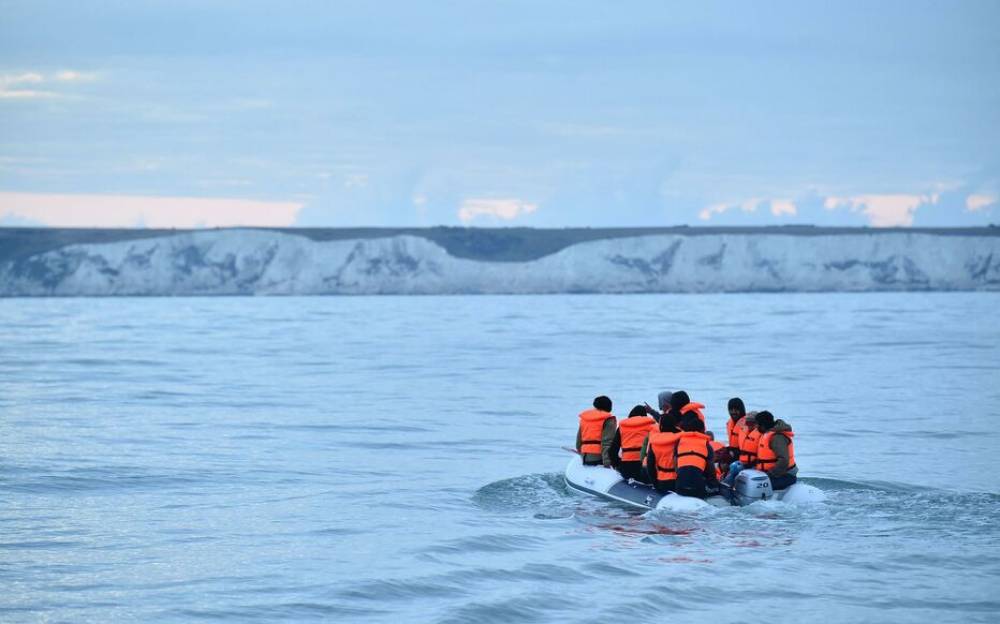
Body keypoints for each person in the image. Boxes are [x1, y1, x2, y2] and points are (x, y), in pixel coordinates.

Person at [673, 414, 719, 498]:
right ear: (702, 430)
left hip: (680, 485)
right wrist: (714, 485)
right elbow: (711, 470)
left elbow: (676, 466)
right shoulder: (706, 445)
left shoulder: (679, 442)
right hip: (697, 486)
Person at [609, 405, 658, 482]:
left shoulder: (622, 427)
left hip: (626, 469)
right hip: (645, 470)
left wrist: (618, 465)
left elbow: (612, 451)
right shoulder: (652, 426)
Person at [755, 411, 798, 490]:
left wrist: (769, 475)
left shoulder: (777, 438)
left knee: (755, 486)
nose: (756, 427)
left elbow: (784, 460)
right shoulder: (767, 435)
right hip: (775, 474)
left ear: (763, 425)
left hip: (785, 476)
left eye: (757, 424)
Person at [644, 411, 681, 494]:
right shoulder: (681, 439)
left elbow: (650, 467)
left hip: (662, 482)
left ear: (660, 426)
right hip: (679, 481)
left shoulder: (654, 442)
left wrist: (655, 484)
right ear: (675, 425)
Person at [576, 395, 617, 467]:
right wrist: (607, 463)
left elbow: (578, 441)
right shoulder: (608, 419)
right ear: (609, 407)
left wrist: (581, 454)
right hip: (598, 458)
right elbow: (607, 442)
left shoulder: (584, 418)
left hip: (585, 457)